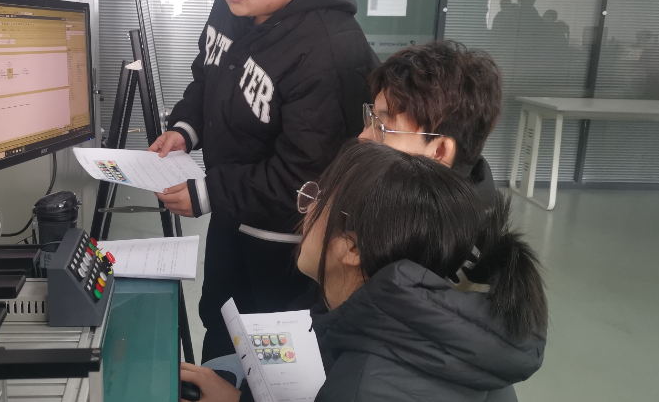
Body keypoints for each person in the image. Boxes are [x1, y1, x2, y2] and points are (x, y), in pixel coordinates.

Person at [149, 0, 379, 362]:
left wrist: (209, 193)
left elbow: (307, 175)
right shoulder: (232, 6)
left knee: (270, 363)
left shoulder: (328, 49)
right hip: (233, 220)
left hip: (290, 249)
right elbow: (207, 78)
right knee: (220, 330)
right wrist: (184, 129)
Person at [181, 141, 548, 402]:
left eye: (320, 200)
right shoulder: (447, 326)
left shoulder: (360, 388)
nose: (305, 209)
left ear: (353, 248)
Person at [359, 40, 502, 209]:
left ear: (439, 152)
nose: (362, 137)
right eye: (372, 117)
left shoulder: (422, 223)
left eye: (382, 128)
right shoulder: (390, 197)